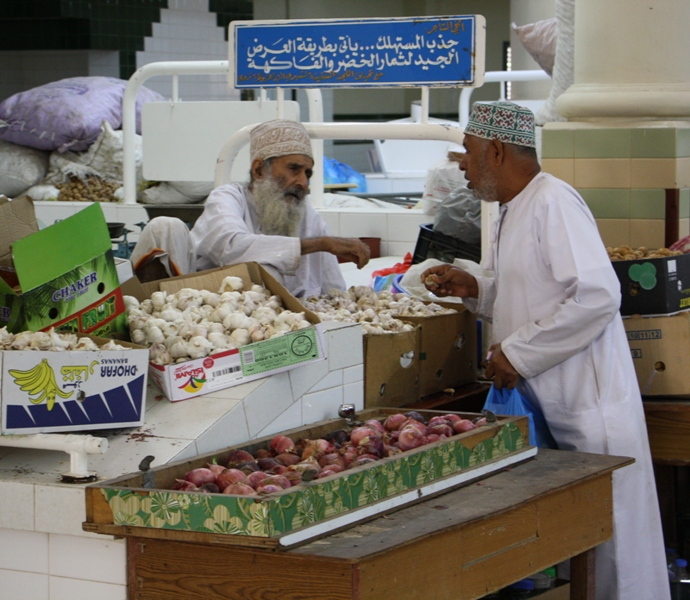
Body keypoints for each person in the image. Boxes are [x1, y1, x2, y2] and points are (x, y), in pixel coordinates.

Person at [422, 101, 669, 600]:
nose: (463, 166)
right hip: (554, 403)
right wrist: (476, 287)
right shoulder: (514, 209)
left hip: (590, 407)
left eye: (467, 154)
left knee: (615, 545)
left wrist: (518, 354)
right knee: (583, 542)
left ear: (495, 150)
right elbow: (534, 292)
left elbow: (598, 295)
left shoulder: (553, 201)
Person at [131, 119, 370, 296]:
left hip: (256, 326)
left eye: (307, 173)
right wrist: (322, 244)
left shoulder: (308, 217)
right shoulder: (227, 198)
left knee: (269, 273)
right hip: (193, 301)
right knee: (164, 227)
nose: (303, 182)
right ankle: (146, 319)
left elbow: (332, 287)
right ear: (258, 170)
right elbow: (231, 247)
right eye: (294, 169)